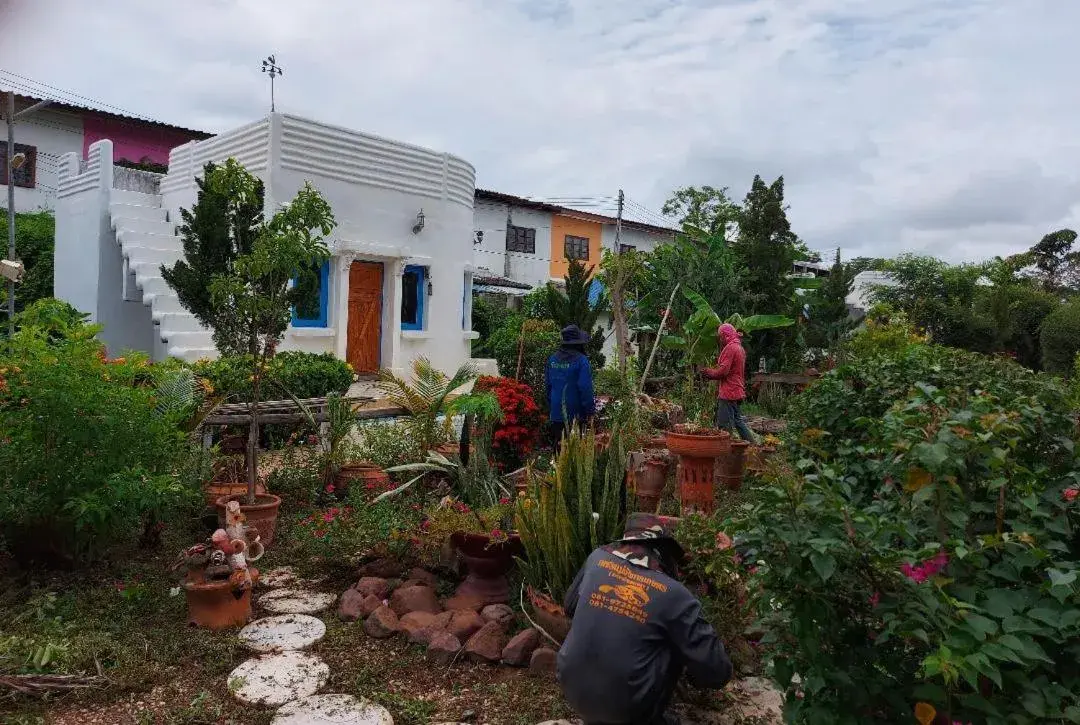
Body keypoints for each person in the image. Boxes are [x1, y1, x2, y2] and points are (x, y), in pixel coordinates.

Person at [557, 514, 733, 725]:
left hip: (572, 689)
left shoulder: (596, 559)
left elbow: (569, 606)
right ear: (663, 552)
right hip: (629, 708)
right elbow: (717, 672)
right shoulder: (674, 594)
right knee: (673, 637)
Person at [701, 323, 756, 443]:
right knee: (738, 421)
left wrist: (708, 372)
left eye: (721, 336)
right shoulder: (739, 347)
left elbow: (723, 372)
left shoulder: (730, 348)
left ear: (725, 336)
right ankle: (753, 447)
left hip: (728, 392)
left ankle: (724, 452)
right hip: (737, 389)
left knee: (724, 424)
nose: (720, 339)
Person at [545, 324, 596, 449]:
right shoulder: (581, 361)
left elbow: (548, 387)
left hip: (556, 412)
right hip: (576, 414)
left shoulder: (552, 360)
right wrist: (590, 411)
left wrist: (552, 406)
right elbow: (585, 388)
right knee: (575, 452)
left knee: (559, 450)